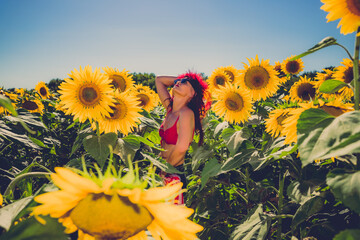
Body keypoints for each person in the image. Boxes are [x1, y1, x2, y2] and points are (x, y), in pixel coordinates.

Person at [155, 71, 209, 204]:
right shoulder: (170, 109)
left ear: (193, 93)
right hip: (162, 170)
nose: (178, 82)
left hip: (172, 174)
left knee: (170, 220)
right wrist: (182, 79)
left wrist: (164, 170)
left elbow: (182, 147)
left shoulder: (186, 113)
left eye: (184, 82)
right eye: (177, 81)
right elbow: (159, 80)